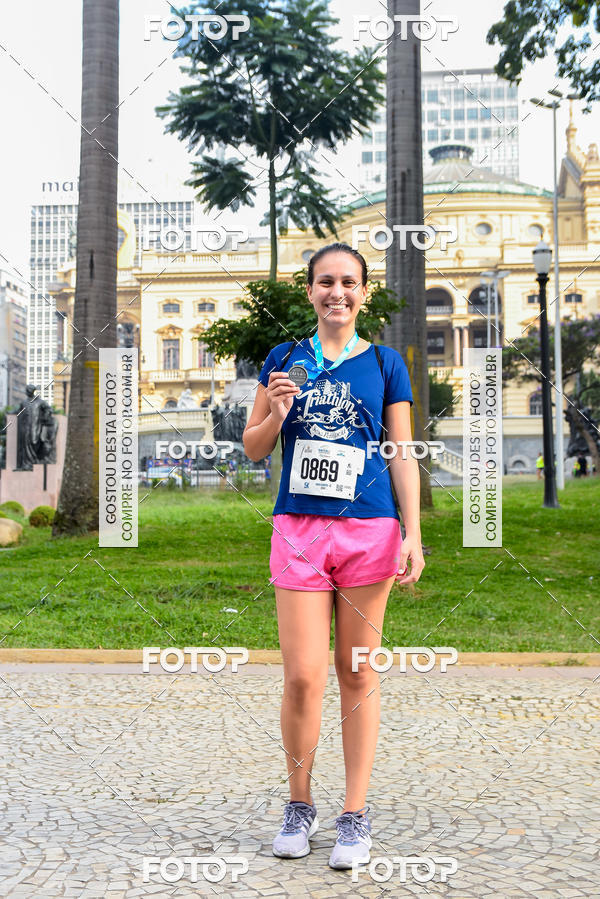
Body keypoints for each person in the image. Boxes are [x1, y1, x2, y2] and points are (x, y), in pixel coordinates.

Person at [243, 242, 424, 871]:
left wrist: (413, 533)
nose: (336, 292)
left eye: (348, 282)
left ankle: (354, 814)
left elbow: (401, 452)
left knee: (357, 673)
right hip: (299, 530)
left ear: (364, 292)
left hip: (370, 530)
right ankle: (299, 805)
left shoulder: (384, 362)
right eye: (325, 282)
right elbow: (253, 448)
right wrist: (279, 412)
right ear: (311, 291)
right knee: (302, 676)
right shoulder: (283, 359)